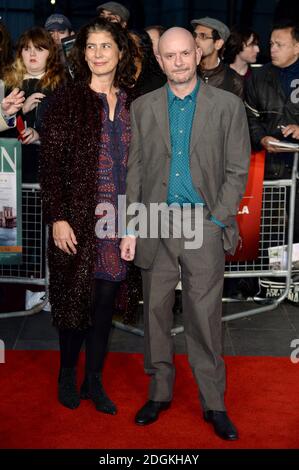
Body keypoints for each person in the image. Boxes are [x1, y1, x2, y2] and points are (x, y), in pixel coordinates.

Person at [120, 27, 250, 440]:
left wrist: (217, 220)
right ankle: (159, 392)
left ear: (198, 53)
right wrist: (131, 226)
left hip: (202, 222)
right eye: (169, 56)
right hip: (155, 221)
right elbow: (136, 170)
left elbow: (237, 168)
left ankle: (214, 402)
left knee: (204, 315)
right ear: (159, 61)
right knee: (155, 312)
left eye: (184, 53)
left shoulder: (228, 105)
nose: (178, 62)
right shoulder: (142, 107)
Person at [40, 18, 136, 414]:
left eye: (105, 46)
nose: (97, 54)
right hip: (76, 219)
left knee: (103, 303)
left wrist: (136, 225)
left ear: (119, 53)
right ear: (83, 54)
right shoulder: (66, 100)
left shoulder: (133, 102)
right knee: (73, 301)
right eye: (91, 47)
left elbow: (143, 168)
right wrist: (57, 217)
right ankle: (66, 373)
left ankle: (93, 380)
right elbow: (50, 164)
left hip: (118, 220)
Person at [245, 19, 299, 241]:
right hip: (270, 169)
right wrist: (261, 138)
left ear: (297, 47)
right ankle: (272, 276)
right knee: (269, 234)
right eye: (271, 43)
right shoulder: (258, 77)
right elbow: (248, 117)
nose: (272, 49)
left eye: (280, 44)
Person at [2, 27, 65, 182]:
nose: (32, 54)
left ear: (50, 53)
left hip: (50, 170)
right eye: (26, 48)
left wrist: (40, 135)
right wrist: (21, 110)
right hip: (12, 168)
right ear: (20, 53)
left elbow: (68, 129)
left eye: (39, 48)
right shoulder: (7, 85)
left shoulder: (63, 86)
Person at [191, 16, 244, 98]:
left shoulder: (233, 81)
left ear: (218, 44)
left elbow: (236, 110)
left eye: (203, 36)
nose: (195, 40)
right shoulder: (186, 72)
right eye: (194, 35)